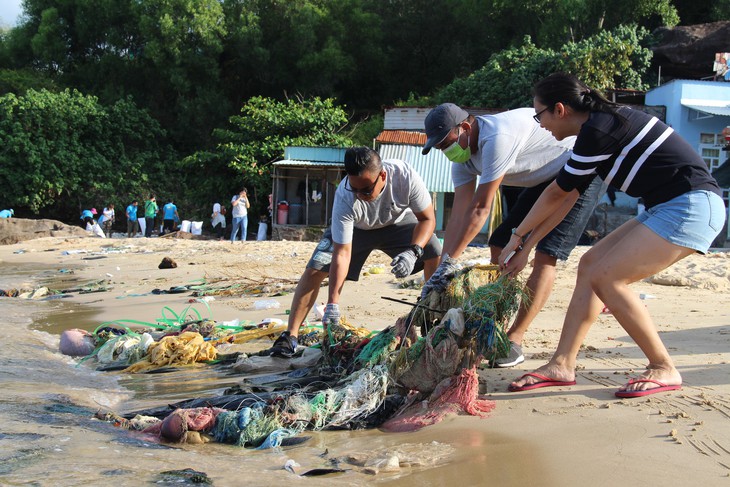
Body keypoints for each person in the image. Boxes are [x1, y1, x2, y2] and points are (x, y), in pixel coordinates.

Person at [501, 73, 725, 397]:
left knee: (608, 278)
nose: (540, 125)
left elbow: (554, 193)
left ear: (559, 109)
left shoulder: (598, 130)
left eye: (540, 116)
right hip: (671, 205)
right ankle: (562, 363)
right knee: (590, 265)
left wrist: (515, 236)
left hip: (691, 206)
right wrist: (526, 247)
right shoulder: (598, 129)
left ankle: (663, 366)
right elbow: (566, 199)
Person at [420, 102, 603, 367]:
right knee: (499, 242)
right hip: (544, 181)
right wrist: (444, 266)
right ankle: (494, 324)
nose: (444, 150)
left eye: (445, 143)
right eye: (438, 147)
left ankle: (515, 339)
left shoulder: (497, 137)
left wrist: (449, 263)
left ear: (465, 127)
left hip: (577, 171)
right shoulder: (463, 159)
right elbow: (459, 216)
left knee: (545, 254)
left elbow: (481, 208)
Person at [269, 146, 443, 358]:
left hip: (397, 224)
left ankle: (429, 313)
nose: (360, 195)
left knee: (433, 248)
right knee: (316, 268)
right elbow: (341, 253)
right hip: (358, 230)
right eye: (355, 189)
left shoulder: (404, 175)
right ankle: (290, 336)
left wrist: (413, 252)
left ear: (382, 176)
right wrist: (332, 304)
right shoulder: (345, 195)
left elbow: (428, 219)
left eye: (366, 190)